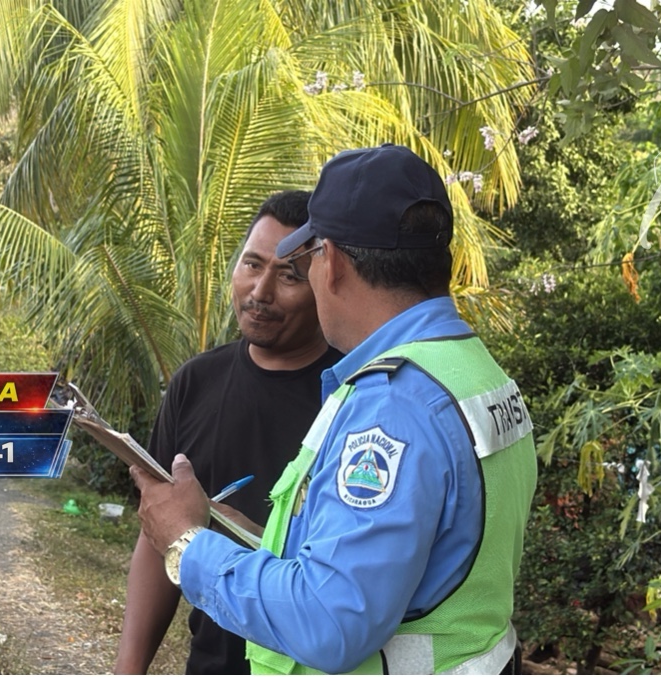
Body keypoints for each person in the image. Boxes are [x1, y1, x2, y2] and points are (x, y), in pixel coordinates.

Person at [131, 144, 538, 675]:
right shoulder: (473, 370)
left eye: (302, 265)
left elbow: (330, 622)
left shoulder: (393, 404)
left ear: (333, 263)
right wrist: (253, 539)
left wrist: (188, 545)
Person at [114, 190, 343, 675]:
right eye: (252, 265)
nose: (260, 291)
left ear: (325, 281)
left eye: (289, 276)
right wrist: (128, 669)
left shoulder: (353, 395)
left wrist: (248, 540)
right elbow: (158, 537)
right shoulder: (195, 383)